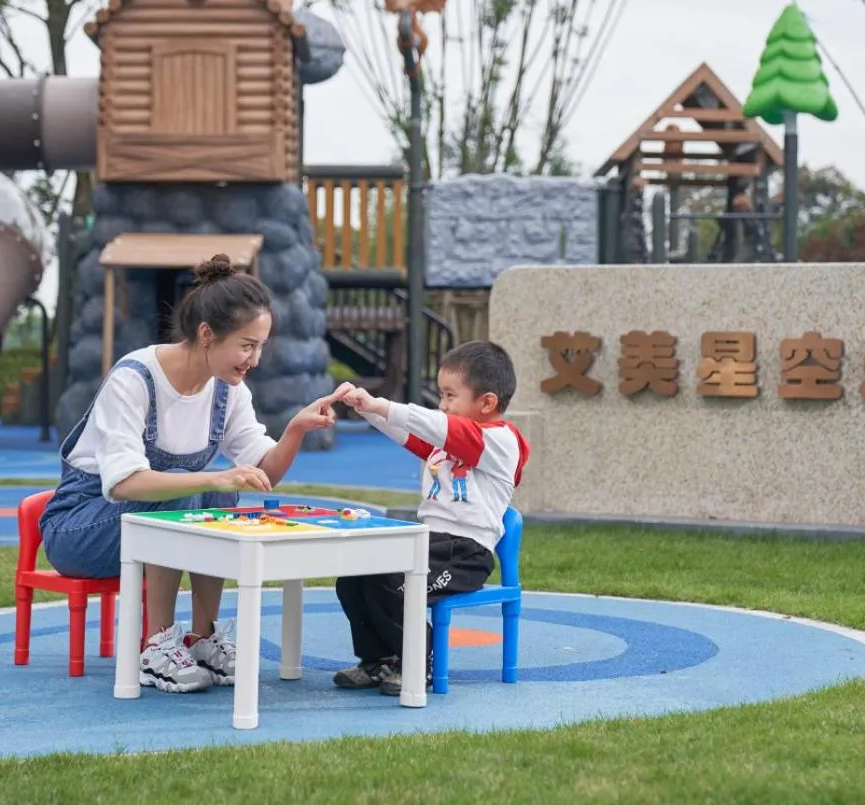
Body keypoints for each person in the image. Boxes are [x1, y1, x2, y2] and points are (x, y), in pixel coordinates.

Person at [40, 254, 348, 694]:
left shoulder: (228, 389)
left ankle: (204, 640)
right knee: (189, 494)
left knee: (219, 497)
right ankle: (157, 646)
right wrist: (215, 478)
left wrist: (296, 429)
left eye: (261, 346)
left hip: (143, 523)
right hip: (80, 529)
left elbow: (262, 473)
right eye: (247, 345)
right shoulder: (134, 379)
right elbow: (126, 484)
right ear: (207, 334)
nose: (255, 359)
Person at [332, 340, 530, 696]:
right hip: (428, 541)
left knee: (392, 579)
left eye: (450, 396)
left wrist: (383, 404)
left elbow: (438, 426)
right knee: (353, 575)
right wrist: (364, 408)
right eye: (441, 394)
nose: (441, 405)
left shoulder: (500, 441)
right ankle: (378, 660)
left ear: (486, 403)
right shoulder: (449, 440)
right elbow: (409, 432)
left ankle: (419, 659)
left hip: (466, 554)